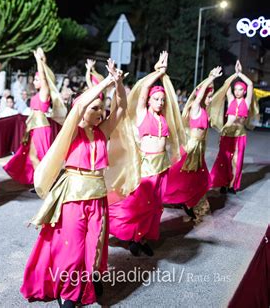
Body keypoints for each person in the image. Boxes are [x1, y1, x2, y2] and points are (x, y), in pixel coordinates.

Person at [21, 59, 127, 307]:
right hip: (73, 199)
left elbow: (121, 108)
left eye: (102, 108)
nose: (100, 113)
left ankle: (90, 279)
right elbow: (78, 106)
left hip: (98, 198)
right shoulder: (70, 130)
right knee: (73, 249)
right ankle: (68, 293)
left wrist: (118, 84)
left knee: (95, 246)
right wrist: (105, 83)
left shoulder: (102, 131)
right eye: (95, 108)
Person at [108, 51, 185, 257]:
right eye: (156, 99)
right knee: (138, 204)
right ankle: (132, 237)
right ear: (149, 101)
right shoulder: (142, 114)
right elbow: (142, 90)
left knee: (154, 206)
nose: (160, 102)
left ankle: (141, 238)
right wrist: (158, 72)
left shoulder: (163, 118)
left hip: (161, 166)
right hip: (145, 166)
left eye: (162, 99)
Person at [163, 66, 223, 221]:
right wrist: (211, 78)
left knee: (197, 178)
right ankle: (166, 197)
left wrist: (210, 80)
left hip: (198, 150)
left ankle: (190, 202)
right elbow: (200, 93)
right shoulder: (195, 108)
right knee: (177, 177)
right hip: (190, 149)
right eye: (209, 96)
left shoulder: (204, 110)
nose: (210, 99)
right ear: (201, 97)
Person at [3, 48, 58, 185]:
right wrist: (43, 61)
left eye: (37, 79)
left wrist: (38, 61)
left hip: (41, 127)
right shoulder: (39, 93)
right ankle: (40, 182)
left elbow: (45, 78)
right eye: (35, 79)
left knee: (39, 157)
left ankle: (43, 183)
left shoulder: (45, 93)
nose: (34, 81)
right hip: (35, 126)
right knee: (32, 156)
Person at [209, 60, 258, 194]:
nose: (237, 92)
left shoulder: (246, 101)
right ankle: (223, 183)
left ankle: (231, 185)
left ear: (244, 91)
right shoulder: (230, 99)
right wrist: (234, 75)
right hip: (227, 133)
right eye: (235, 89)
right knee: (224, 159)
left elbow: (250, 83)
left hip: (240, 134)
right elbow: (226, 86)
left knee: (236, 161)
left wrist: (240, 73)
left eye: (240, 89)